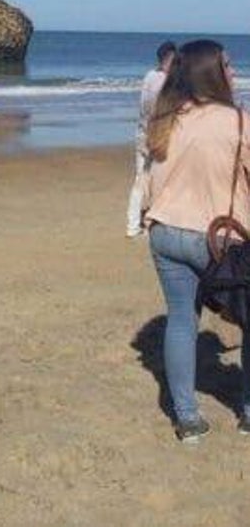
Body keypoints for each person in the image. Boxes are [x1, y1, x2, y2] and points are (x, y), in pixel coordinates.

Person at [145, 40, 250, 443]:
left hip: (165, 232)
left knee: (181, 321)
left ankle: (187, 419)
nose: (234, 70)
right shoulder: (237, 121)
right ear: (213, 71)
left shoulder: (168, 117)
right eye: (228, 63)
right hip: (219, 240)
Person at [128, 42, 177, 237]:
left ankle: (132, 225)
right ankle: (150, 223)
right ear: (169, 60)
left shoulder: (149, 76)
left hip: (142, 133)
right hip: (157, 136)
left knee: (140, 179)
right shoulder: (165, 81)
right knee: (157, 180)